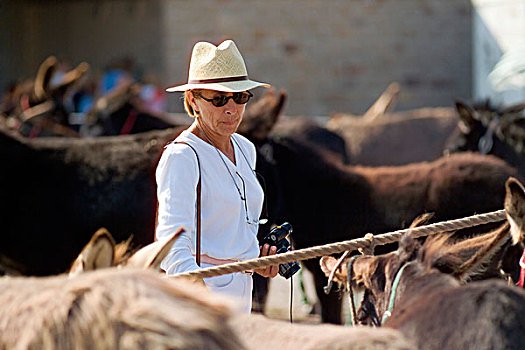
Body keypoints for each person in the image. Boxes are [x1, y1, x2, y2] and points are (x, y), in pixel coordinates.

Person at [155, 39, 279, 313]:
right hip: (202, 304)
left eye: (241, 97)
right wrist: (204, 304)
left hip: (243, 297)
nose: (232, 108)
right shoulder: (182, 156)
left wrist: (261, 257)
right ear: (193, 101)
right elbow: (170, 244)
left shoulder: (246, 149)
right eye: (219, 99)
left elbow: (235, 230)